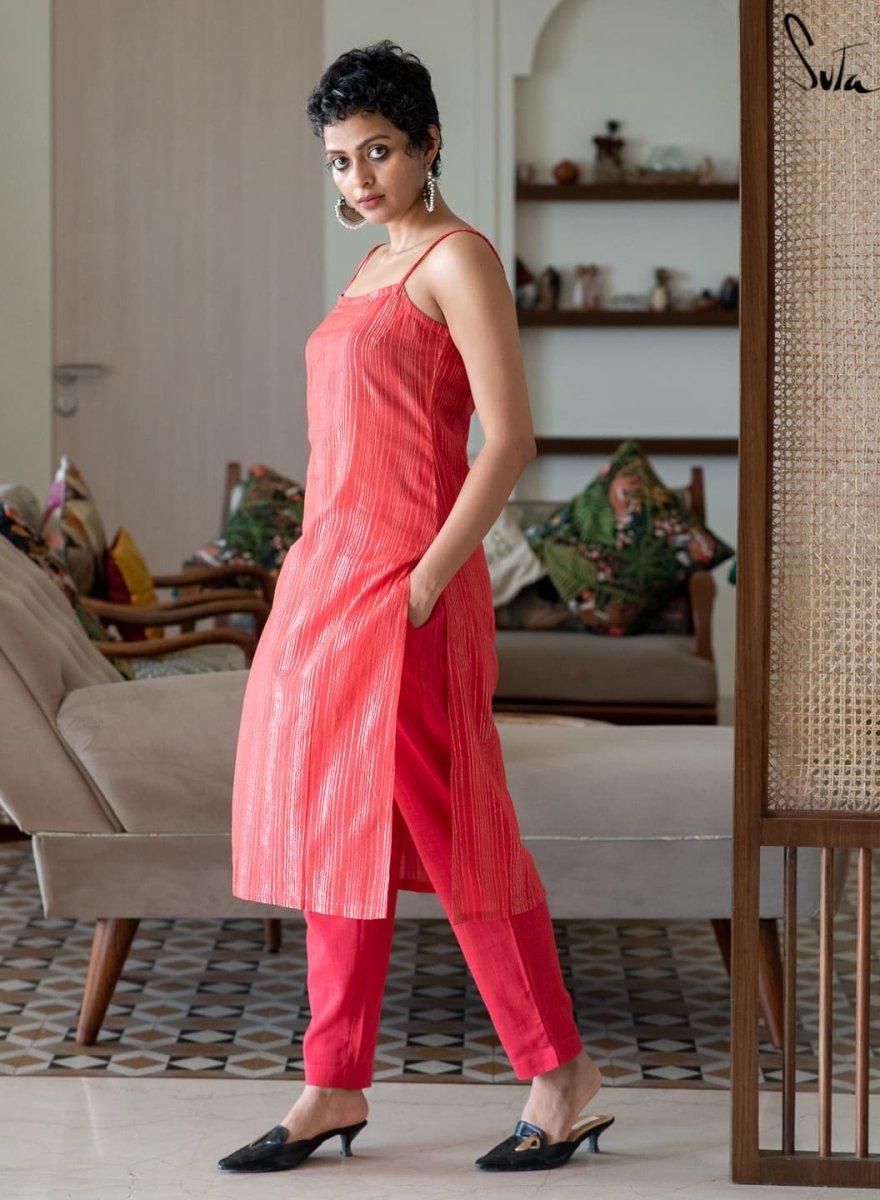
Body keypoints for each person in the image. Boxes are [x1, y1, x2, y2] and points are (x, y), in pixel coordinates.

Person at [218, 40, 611, 1175]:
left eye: (379, 151)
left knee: (461, 835)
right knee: (335, 833)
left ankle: (562, 1075)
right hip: (329, 590)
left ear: (430, 142)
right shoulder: (368, 270)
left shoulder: (456, 259)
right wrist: (306, 578)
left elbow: (511, 440)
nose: (359, 178)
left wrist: (429, 581)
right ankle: (332, 1082)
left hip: (410, 589)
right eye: (340, 161)